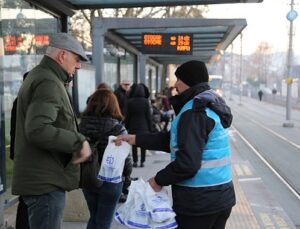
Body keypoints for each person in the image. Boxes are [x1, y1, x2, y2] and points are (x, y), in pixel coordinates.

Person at [114, 60, 236, 229]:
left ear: (188, 81)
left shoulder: (193, 112)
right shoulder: (210, 104)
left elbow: (188, 163)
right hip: (220, 196)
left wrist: (158, 180)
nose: (176, 84)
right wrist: (136, 139)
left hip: (199, 201)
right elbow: (174, 140)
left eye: (179, 79)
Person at [11, 33, 92, 229]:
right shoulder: (48, 81)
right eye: (77, 59)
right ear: (62, 55)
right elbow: (38, 129)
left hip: (42, 179)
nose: (79, 65)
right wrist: (78, 141)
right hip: (46, 183)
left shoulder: (42, 76)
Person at [79, 88, 132, 229]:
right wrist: (127, 178)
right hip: (112, 179)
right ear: (114, 105)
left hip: (88, 177)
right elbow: (126, 159)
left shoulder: (81, 126)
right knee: (104, 221)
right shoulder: (118, 129)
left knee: (94, 218)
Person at [10, 72, 30, 229]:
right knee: (27, 198)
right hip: (27, 155)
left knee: (25, 197)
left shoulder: (18, 100)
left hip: (19, 154)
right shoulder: (26, 102)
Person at [125, 83, 152, 168]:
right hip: (144, 126)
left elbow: (128, 115)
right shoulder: (145, 102)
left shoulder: (130, 102)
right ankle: (142, 161)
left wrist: (127, 126)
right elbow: (148, 116)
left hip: (133, 125)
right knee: (143, 144)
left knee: (134, 144)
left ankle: (135, 161)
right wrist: (150, 127)